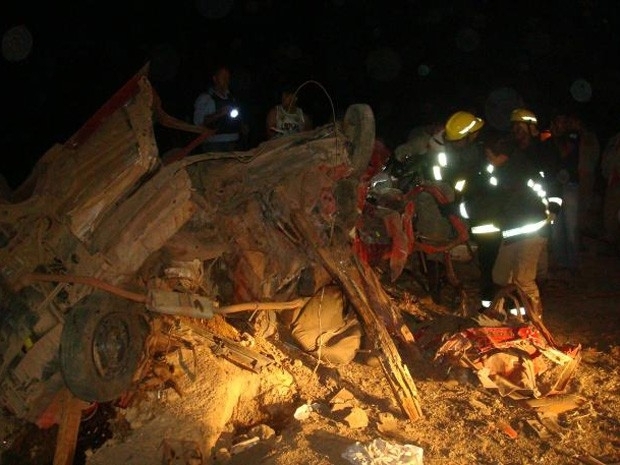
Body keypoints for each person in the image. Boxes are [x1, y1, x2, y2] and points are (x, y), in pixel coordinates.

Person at [459, 131, 550, 315]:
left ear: (501, 155)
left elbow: (495, 205)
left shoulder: (513, 174)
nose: (487, 159)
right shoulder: (506, 169)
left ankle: (532, 317)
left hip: (531, 233)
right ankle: (506, 311)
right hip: (512, 233)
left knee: (523, 278)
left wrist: (462, 210)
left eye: (488, 155)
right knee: (500, 275)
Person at [510, 108, 563, 287]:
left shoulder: (544, 150)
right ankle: (534, 286)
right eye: (515, 128)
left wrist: (554, 207)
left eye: (520, 128)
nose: (517, 132)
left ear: (531, 128)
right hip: (521, 210)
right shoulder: (513, 151)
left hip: (541, 209)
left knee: (537, 252)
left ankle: (537, 287)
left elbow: (554, 181)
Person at [193, 65, 247, 152]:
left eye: (227, 77)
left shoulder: (232, 98)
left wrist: (242, 126)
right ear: (215, 79)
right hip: (214, 144)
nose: (226, 80)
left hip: (234, 142)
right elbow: (197, 123)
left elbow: (236, 116)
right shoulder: (206, 98)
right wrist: (219, 113)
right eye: (223, 77)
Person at [600, 128, 620, 255]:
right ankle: (611, 243)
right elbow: (607, 159)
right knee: (610, 215)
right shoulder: (615, 139)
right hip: (613, 182)